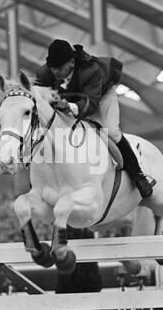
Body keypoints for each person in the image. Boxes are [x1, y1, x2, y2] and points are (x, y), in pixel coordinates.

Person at [36, 39, 154, 198]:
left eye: (59, 67)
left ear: (71, 62)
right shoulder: (45, 74)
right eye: (52, 67)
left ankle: (138, 176)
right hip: (72, 99)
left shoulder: (91, 71)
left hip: (100, 96)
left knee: (111, 131)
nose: (55, 72)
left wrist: (69, 107)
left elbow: (91, 103)